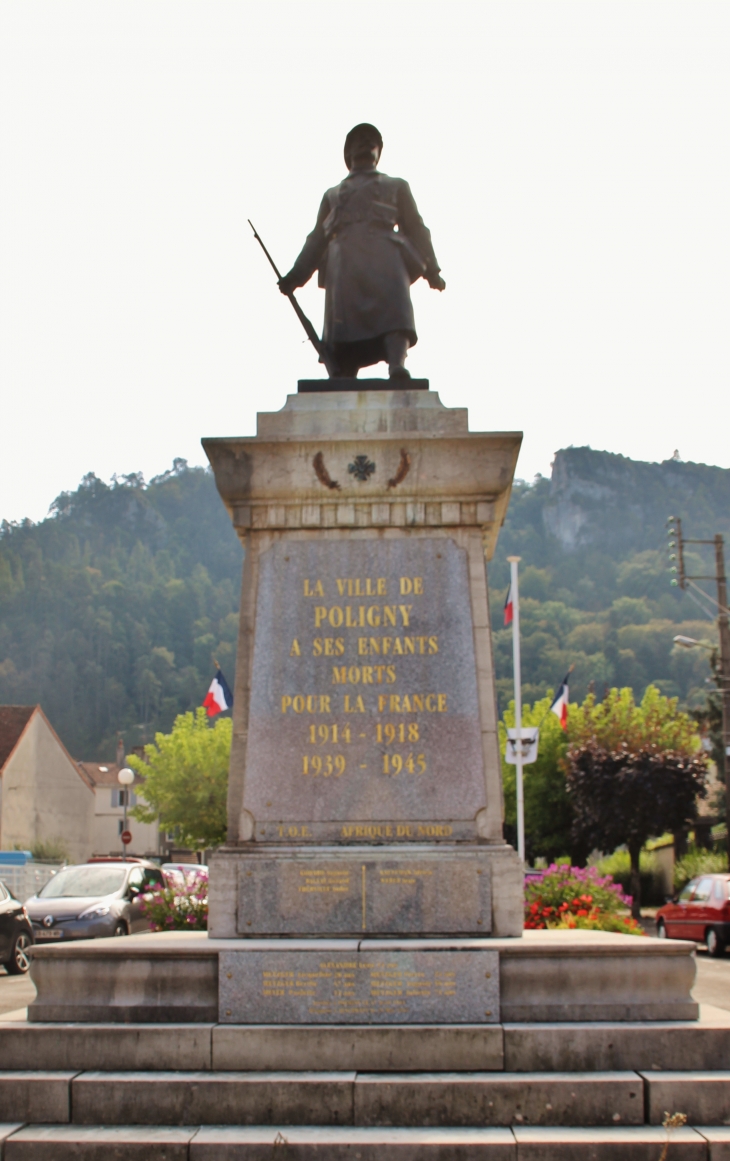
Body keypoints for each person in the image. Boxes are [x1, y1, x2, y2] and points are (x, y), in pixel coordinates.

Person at [278, 123, 445, 380]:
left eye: (371, 140)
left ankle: (396, 364)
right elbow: (316, 240)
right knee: (344, 327)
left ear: (379, 151)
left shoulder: (397, 186)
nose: (365, 143)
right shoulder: (332, 195)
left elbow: (417, 228)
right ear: (347, 153)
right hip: (344, 266)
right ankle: (344, 369)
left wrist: (432, 269)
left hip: (386, 258)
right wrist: (295, 276)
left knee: (395, 311)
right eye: (358, 140)